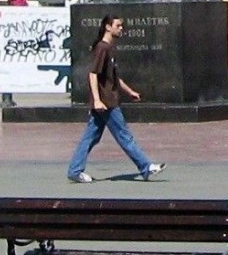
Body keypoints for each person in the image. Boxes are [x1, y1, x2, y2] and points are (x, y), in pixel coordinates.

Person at [68, 14, 162, 183]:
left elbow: (114, 78)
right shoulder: (102, 48)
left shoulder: (109, 49)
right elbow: (92, 74)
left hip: (106, 101)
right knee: (124, 135)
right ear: (108, 27)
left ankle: (75, 170)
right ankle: (145, 167)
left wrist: (130, 91)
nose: (122, 29)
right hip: (107, 102)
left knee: (90, 138)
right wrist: (97, 100)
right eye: (118, 26)